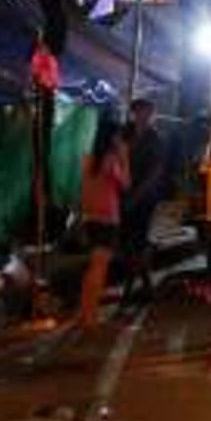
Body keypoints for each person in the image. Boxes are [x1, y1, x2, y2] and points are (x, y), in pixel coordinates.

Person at [76, 115, 130, 328]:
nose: (120, 139)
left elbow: (83, 189)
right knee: (100, 267)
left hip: (90, 217)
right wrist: (125, 157)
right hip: (108, 218)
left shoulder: (87, 159)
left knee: (92, 266)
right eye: (118, 136)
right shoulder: (111, 161)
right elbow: (126, 184)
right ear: (111, 137)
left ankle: (84, 312)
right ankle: (91, 316)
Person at [120, 99, 167, 303]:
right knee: (128, 244)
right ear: (134, 112)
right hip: (123, 194)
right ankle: (144, 286)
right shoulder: (124, 133)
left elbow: (156, 171)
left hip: (145, 197)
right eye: (141, 111)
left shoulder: (154, 137)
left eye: (148, 112)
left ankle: (133, 289)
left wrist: (137, 195)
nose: (145, 116)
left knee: (139, 242)